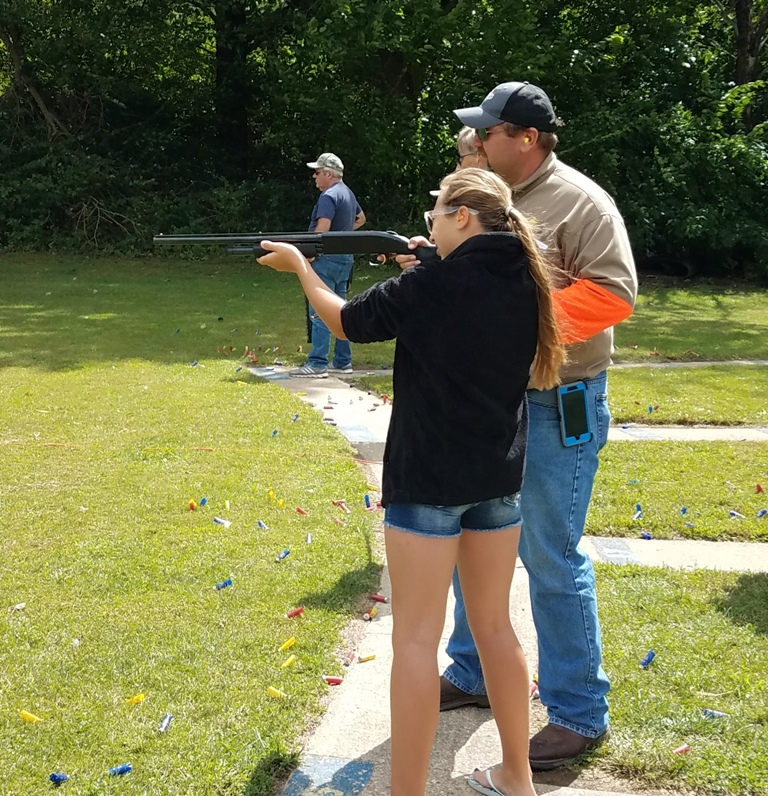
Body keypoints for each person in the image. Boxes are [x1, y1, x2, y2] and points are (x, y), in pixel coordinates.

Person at [257, 167, 565, 796]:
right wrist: (426, 260)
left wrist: (302, 269)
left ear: (463, 217)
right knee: (496, 629)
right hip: (496, 479)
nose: (431, 224)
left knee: (417, 642)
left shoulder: (432, 284)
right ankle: (518, 777)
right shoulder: (526, 276)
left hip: (428, 483)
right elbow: (456, 296)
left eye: (437, 214)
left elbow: (345, 321)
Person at [401, 81, 638, 772]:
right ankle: (471, 672)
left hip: (557, 401)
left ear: (527, 138)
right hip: (493, 401)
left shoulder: (581, 202)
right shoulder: (491, 199)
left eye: (489, 131)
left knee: (550, 557)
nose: (477, 140)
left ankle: (577, 714)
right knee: (472, 540)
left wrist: (514, 321)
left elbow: (614, 294)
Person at [290, 152, 366, 378]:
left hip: (326, 259)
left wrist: (310, 255)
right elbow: (361, 219)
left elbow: (321, 229)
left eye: (317, 172)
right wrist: (343, 235)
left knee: (320, 310)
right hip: (345, 258)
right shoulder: (348, 193)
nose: (314, 177)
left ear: (328, 173)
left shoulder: (328, 196)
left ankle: (317, 363)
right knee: (341, 309)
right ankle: (343, 361)